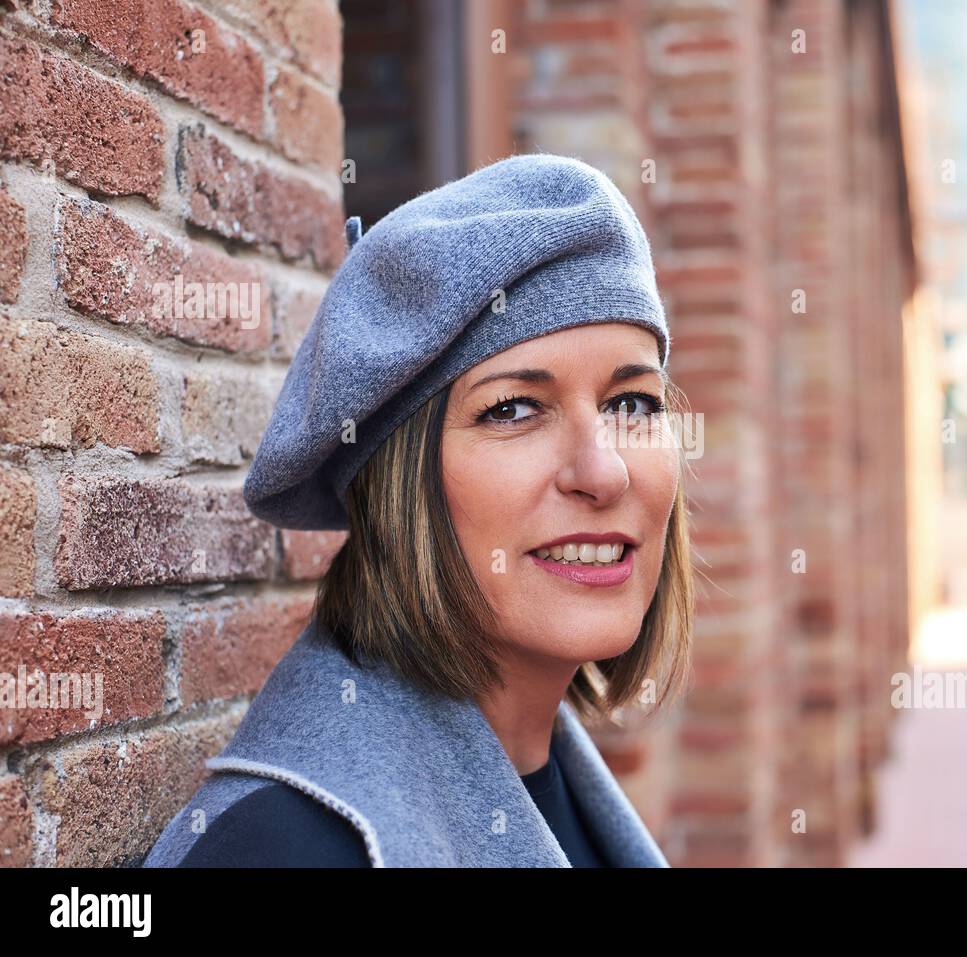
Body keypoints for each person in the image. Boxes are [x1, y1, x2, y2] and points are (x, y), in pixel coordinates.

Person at [143, 153, 693, 868]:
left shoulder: (560, 786)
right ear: (398, 483)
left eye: (632, 403)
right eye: (514, 408)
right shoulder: (286, 848)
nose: (604, 470)